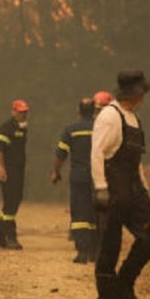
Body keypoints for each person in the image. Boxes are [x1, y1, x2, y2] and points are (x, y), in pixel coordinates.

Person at [91, 72, 150, 299]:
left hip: (133, 186)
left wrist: (144, 186)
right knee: (111, 242)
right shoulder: (110, 116)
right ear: (133, 93)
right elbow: (97, 152)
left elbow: (135, 158)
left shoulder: (133, 117)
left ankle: (124, 284)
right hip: (113, 184)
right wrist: (100, 187)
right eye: (142, 92)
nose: (144, 97)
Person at [51, 94, 106, 263]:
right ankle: (95, 252)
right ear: (94, 111)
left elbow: (60, 155)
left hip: (78, 177)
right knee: (97, 213)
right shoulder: (101, 128)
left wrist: (56, 172)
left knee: (80, 213)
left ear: (78, 111)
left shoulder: (71, 129)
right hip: (99, 177)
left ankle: (82, 252)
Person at [0, 99, 30, 250]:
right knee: (10, 201)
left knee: (16, 198)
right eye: (20, 112)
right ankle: (10, 236)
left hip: (18, 170)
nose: (23, 115)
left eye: (25, 112)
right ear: (13, 112)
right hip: (7, 170)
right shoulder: (6, 128)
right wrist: (1, 168)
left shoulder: (23, 128)